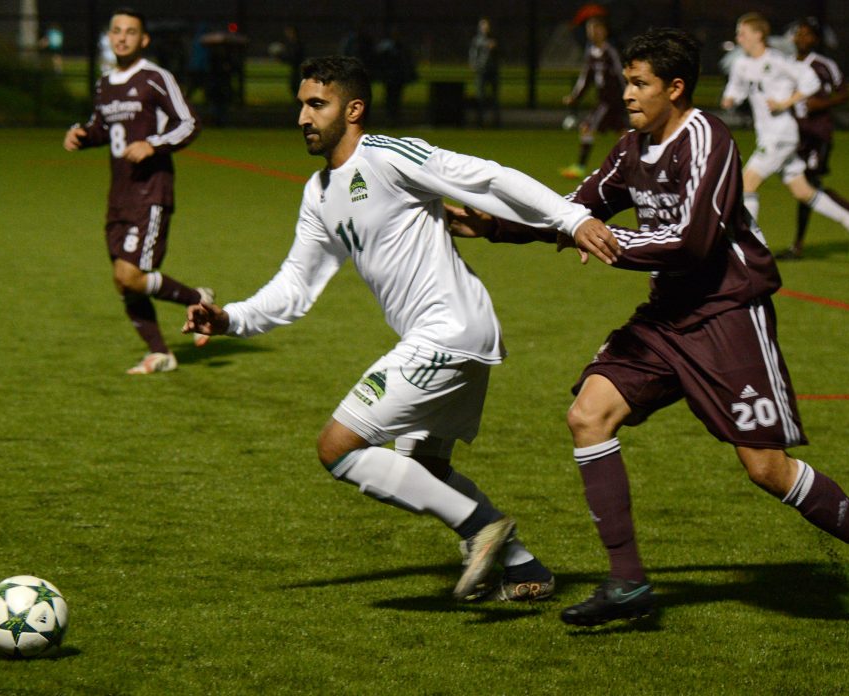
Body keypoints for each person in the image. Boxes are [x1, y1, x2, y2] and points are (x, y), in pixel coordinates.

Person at [448, 28, 849, 630]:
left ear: (675, 87)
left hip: (726, 313)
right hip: (666, 319)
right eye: (627, 82)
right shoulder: (629, 148)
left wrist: (608, 240)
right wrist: (496, 226)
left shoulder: (708, 139)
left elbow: (694, 243)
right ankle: (628, 583)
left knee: (766, 468)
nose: (629, 93)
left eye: (640, 84)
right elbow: (574, 212)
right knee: (589, 414)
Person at [183, 55, 598, 601]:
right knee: (424, 465)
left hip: (446, 332)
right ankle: (526, 569)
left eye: (317, 105)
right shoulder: (319, 193)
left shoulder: (387, 156)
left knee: (337, 447)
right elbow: (295, 285)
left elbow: (487, 177)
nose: (303, 118)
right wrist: (230, 317)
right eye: (301, 105)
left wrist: (573, 217)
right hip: (451, 337)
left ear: (353, 110)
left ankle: (481, 529)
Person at [63, 8, 213, 375]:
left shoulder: (155, 78)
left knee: (131, 275)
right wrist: (82, 135)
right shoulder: (105, 83)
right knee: (122, 278)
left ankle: (199, 299)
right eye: (117, 31)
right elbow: (102, 128)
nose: (123, 37)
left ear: (143, 39)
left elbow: (189, 123)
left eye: (131, 32)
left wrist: (153, 144)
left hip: (151, 190)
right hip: (119, 194)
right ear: (109, 36)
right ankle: (160, 353)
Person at [721, 13, 849, 258]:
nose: (738, 37)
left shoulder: (779, 61)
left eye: (743, 33)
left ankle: (749, 249)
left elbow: (811, 81)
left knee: (746, 184)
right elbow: (736, 88)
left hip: (781, 134)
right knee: (802, 191)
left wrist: (787, 102)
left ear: (758, 35)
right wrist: (730, 99)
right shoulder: (742, 64)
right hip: (767, 136)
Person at [776, 18, 849, 260]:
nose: (801, 38)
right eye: (798, 34)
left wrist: (821, 103)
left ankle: (798, 246)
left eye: (807, 35)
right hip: (795, 135)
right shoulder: (786, 65)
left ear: (816, 39)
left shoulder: (823, 65)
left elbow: (844, 94)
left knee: (807, 186)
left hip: (817, 134)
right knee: (809, 187)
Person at [559, 16, 627, 179]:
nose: (593, 33)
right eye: (590, 30)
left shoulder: (610, 52)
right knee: (624, 134)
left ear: (604, 31)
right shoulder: (591, 52)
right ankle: (638, 164)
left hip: (610, 101)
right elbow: (586, 78)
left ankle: (579, 167)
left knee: (587, 127)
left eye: (596, 29)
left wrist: (628, 95)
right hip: (605, 101)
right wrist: (575, 96)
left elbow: (621, 74)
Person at [468, 17, 500, 127]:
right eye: (483, 26)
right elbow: (473, 53)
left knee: (495, 97)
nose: (485, 28)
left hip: (492, 71)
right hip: (481, 71)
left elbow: (500, 53)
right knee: (480, 97)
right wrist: (473, 64)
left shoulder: (494, 39)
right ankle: (480, 121)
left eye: (487, 26)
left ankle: (496, 121)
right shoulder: (477, 40)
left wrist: (494, 47)